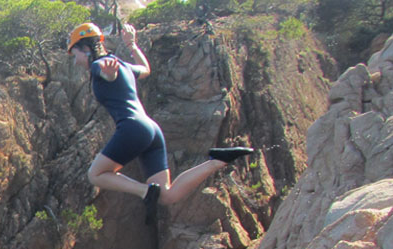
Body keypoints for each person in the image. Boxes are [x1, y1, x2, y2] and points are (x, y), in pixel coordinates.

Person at [68, 22, 254, 224]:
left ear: (86, 48)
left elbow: (104, 73)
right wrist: (132, 46)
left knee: (95, 175)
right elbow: (146, 69)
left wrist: (109, 75)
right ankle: (218, 161)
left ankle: (145, 192)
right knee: (167, 195)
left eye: (74, 54)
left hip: (132, 128)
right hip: (151, 130)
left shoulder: (98, 65)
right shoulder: (122, 64)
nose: (75, 61)